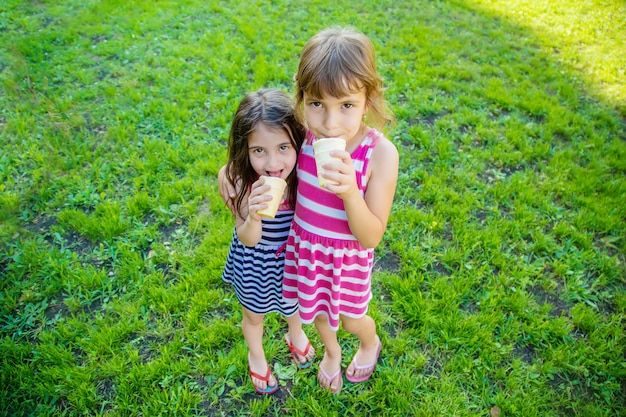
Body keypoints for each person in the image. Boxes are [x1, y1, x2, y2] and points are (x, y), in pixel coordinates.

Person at [282, 26, 399, 394]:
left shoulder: (379, 154)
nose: (330, 123)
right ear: (302, 99)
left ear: (368, 99)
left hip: (346, 259)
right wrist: (228, 174)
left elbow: (371, 235)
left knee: (350, 319)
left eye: (346, 106)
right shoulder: (301, 136)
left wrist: (350, 192)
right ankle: (330, 354)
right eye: (316, 104)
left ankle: (369, 342)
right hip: (307, 251)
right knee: (313, 311)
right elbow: (258, 152)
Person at [219, 88, 315, 395]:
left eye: (283, 147)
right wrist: (254, 216)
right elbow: (247, 239)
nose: (273, 162)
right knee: (253, 314)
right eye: (259, 150)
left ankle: (295, 335)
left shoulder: (305, 175)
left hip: (293, 263)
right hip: (255, 263)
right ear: (244, 151)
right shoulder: (243, 184)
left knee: (295, 306)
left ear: (298, 142)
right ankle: (256, 355)